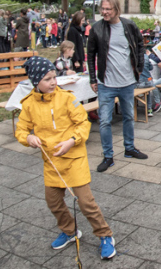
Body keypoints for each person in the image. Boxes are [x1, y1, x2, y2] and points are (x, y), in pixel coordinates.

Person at [14, 56, 116, 260]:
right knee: (53, 202)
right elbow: (21, 129)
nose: (52, 82)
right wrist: (28, 137)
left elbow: (83, 123)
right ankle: (70, 231)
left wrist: (72, 140)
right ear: (36, 82)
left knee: (86, 203)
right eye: (47, 79)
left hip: (74, 158)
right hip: (52, 162)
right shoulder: (29, 104)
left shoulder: (67, 98)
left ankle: (105, 235)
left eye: (54, 77)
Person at [86, 0, 148, 173]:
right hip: (106, 83)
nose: (104, 12)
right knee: (105, 121)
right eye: (102, 9)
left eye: (108, 9)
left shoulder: (129, 25)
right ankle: (108, 156)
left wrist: (139, 67)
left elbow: (139, 45)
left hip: (128, 82)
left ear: (116, 9)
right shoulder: (96, 29)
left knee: (129, 117)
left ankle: (129, 148)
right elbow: (90, 55)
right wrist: (92, 78)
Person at [138, 47, 161, 116]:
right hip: (149, 80)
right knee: (148, 92)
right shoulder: (146, 57)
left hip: (139, 82)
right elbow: (151, 68)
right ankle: (149, 110)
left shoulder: (134, 58)